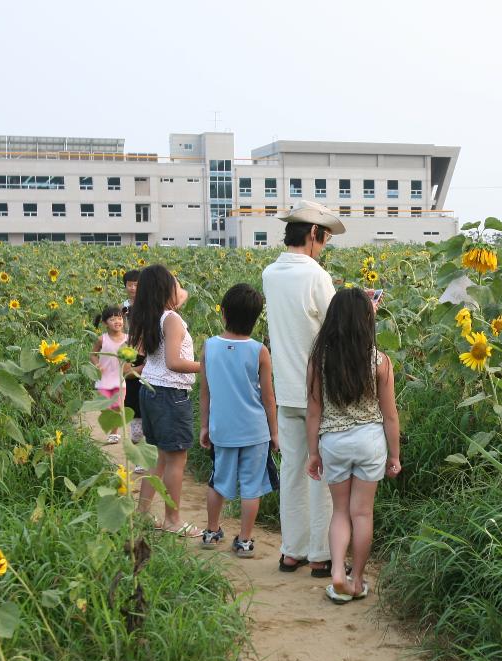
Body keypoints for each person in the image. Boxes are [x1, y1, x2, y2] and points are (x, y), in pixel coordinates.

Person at [262, 200, 345, 578]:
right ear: (313, 234)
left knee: (294, 469)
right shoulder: (315, 276)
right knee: (321, 471)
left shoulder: (270, 274)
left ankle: (290, 551)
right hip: (319, 391)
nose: (323, 248)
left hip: (286, 388)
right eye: (324, 240)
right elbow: (336, 329)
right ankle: (320, 554)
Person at [305, 288, 401, 604]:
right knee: (362, 514)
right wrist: (394, 456)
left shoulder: (319, 359)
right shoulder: (379, 361)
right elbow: (389, 415)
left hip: (334, 442)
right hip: (370, 442)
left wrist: (313, 453)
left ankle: (336, 571)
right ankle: (357, 580)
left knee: (340, 513)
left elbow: (314, 411)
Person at [199, 283, 279, 558]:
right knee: (251, 485)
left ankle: (211, 532)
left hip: (222, 429)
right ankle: (244, 540)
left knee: (217, 481)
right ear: (256, 319)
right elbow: (269, 398)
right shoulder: (260, 350)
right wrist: (275, 433)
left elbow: (205, 391)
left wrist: (204, 425)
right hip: (255, 431)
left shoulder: (209, 347)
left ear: (223, 313)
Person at [128, 264, 202, 536]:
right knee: (176, 459)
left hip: (150, 391)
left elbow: (182, 295)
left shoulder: (149, 316)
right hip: (169, 395)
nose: (179, 288)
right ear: (164, 289)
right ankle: (173, 519)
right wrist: (206, 365)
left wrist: (172, 286)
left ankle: (143, 515)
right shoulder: (170, 319)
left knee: (158, 457)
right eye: (174, 283)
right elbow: (174, 362)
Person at [90, 305, 127, 444]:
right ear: (105, 323)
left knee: (117, 406)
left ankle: (114, 433)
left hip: (120, 379)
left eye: (119, 318)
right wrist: (97, 364)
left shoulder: (128, 339)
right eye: (112, 319)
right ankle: (110, 425)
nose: (117, 321)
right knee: (105, 407)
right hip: (103, 380)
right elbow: (93, 354)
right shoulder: (102, 339)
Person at [120, 269, 146, 444]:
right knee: (135, 405)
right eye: (130, 284)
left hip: (144, 352)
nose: (133, 288)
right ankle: (138, 453)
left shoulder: (148, 306)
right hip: (133, 352)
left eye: (137, 284)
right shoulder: (124, 307)